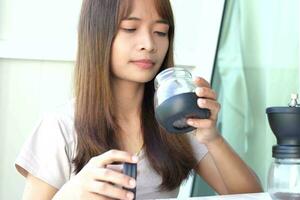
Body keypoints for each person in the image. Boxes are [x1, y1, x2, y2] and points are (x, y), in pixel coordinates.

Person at [15, 0, 262, 199]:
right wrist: (73, 193)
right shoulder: (60, 126)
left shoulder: (176, 121)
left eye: (160, 32)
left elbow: (252, 197)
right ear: (97, 34)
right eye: (130, 29)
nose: (149, 44)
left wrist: (212, 138)